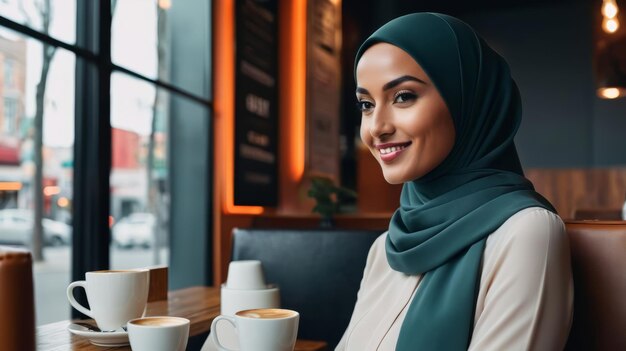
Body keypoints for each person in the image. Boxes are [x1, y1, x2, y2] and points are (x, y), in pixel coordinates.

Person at [336, 13, 573, 351]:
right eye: (366, 105)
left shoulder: (527, 233)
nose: (377, 127)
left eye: (403, 96)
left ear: (466, 100)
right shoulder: (387, 248)